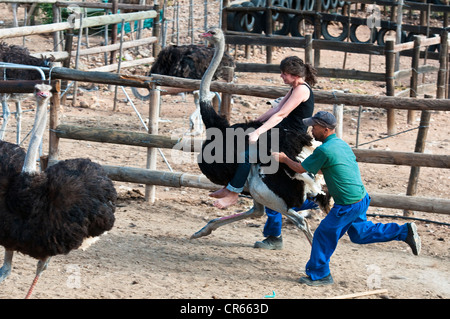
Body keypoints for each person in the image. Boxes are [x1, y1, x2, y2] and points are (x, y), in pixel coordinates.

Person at [272, 111, 421, 286]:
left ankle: (320, 274)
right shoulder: (341, 144)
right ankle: (404, 232)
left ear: (326, 129)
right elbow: (328, 167)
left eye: (315, 126)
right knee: (360, 234)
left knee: (322, 235)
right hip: (361, 198)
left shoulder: (325, 149)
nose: (312, 129)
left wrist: (283, 158)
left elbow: (299, 168)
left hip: (347, 204)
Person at [209, 56, 318, 210]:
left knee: (247, 154)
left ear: (293, 74)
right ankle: (229, 186)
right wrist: (255, 122)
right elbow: (277, 108)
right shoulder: (295, 87)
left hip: (290, 136)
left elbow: (282, 115)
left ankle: (234, 194)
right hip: (282, 131)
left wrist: (258, 132)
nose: (281, 76)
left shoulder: (301, 89)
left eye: (283, 73)